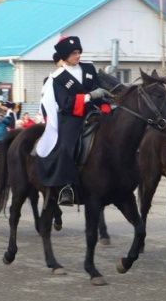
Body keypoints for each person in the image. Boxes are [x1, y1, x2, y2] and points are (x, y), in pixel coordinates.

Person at [34, 36, 112, 206]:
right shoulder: (57, 78)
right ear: (64, 56)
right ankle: (66, 187)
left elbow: (99, 91)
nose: (78, 56)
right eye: (74, 53)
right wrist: (89, 96)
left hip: (94, 111)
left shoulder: (89, 68)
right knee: (65, 147)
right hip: (71, 117)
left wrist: (105, 106)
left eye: (78, 52)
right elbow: (66, 104)